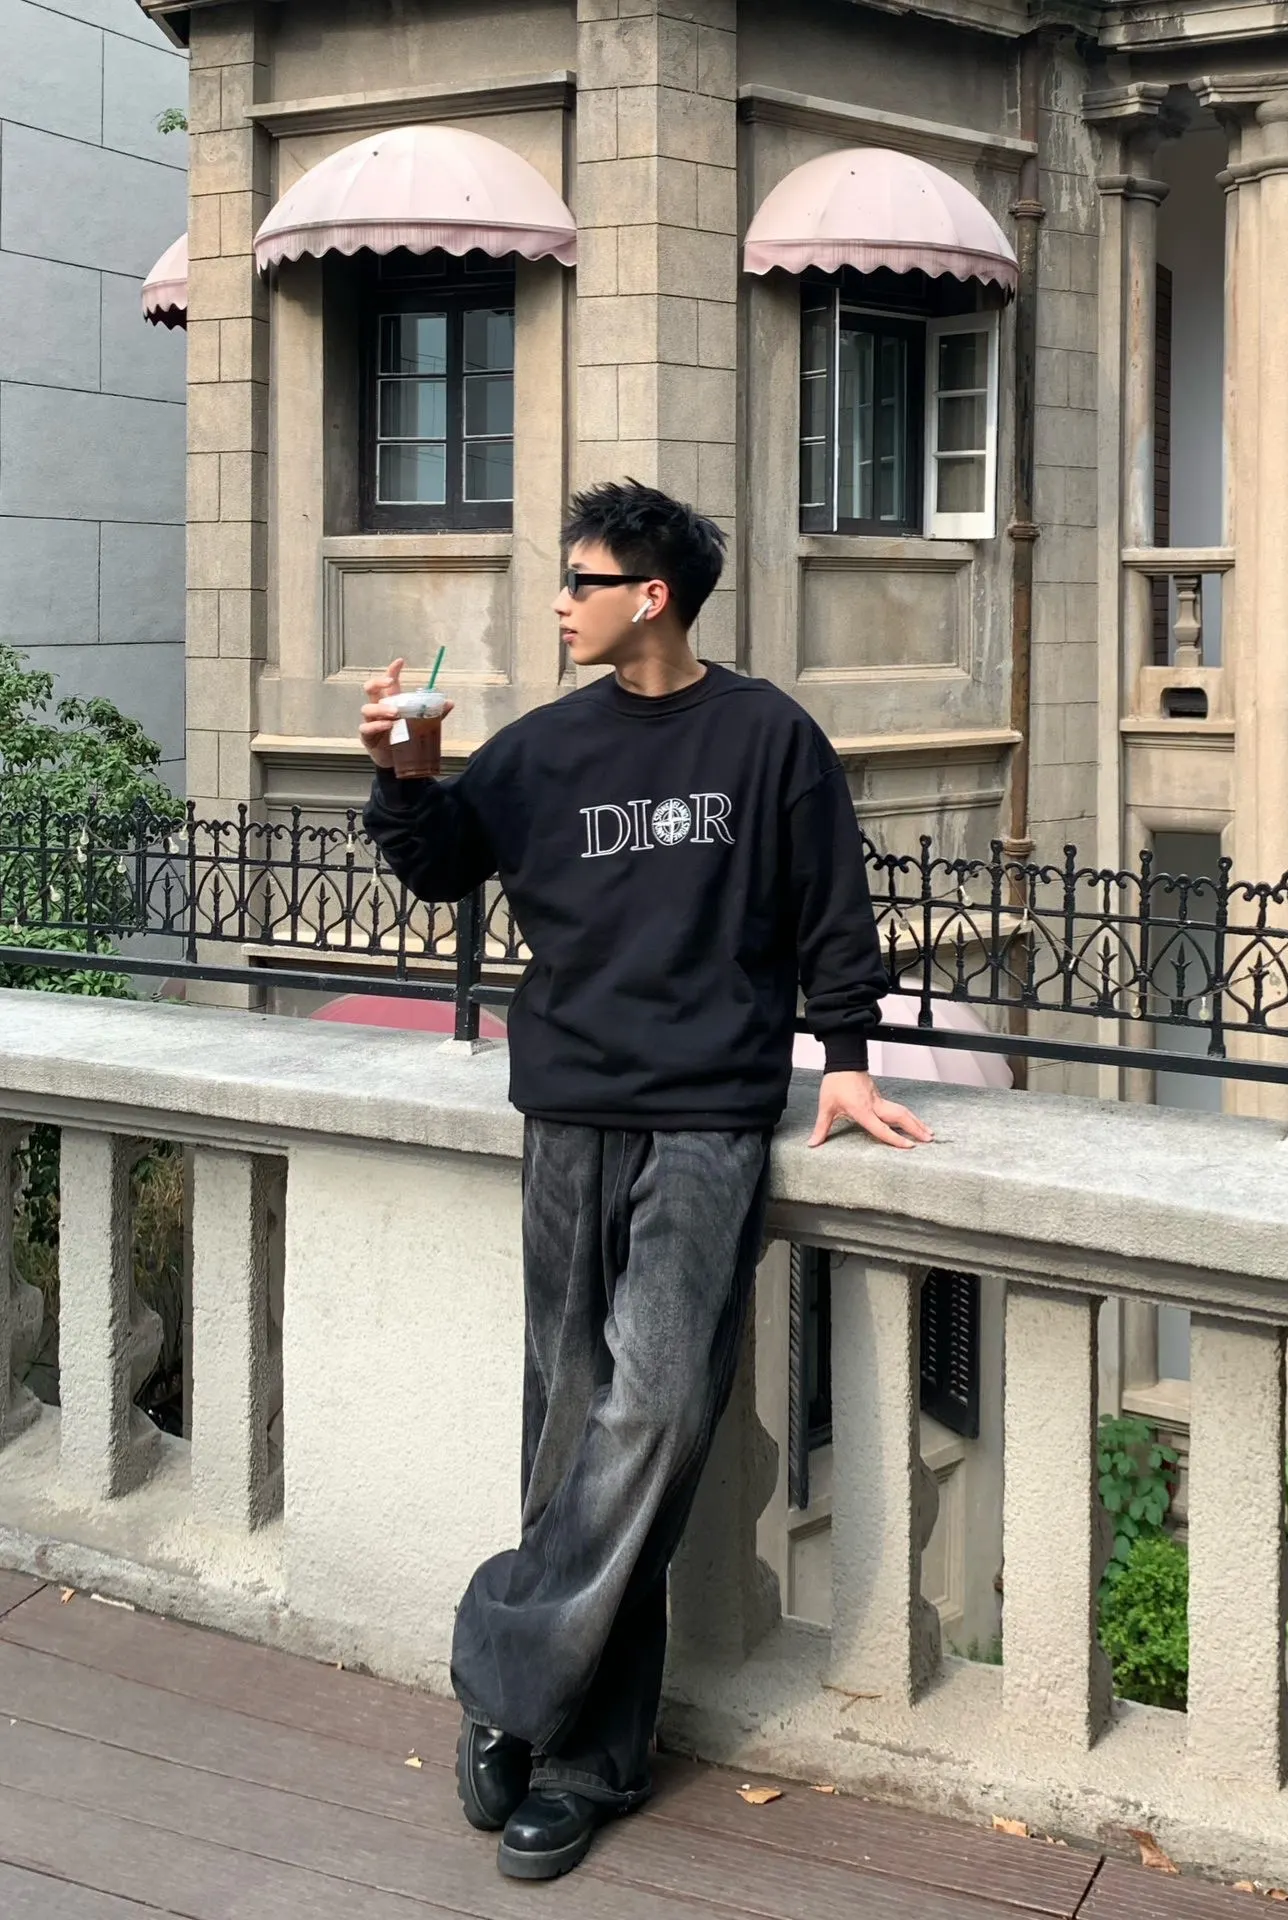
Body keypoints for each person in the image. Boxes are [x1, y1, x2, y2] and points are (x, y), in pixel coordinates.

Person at [359, 480, 931, 1884]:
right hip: (568, 1111)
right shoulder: (545, 747)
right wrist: (406, 775)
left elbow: (831, 903)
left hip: (708, 1118)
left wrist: (846, 1060)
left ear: (652, 597)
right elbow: (439, 870)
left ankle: (507, 1678)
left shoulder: (767, 737)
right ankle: (581, 1751)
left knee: (659, 1406)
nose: (561, 602)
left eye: (583, 580)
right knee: (570, 1415)